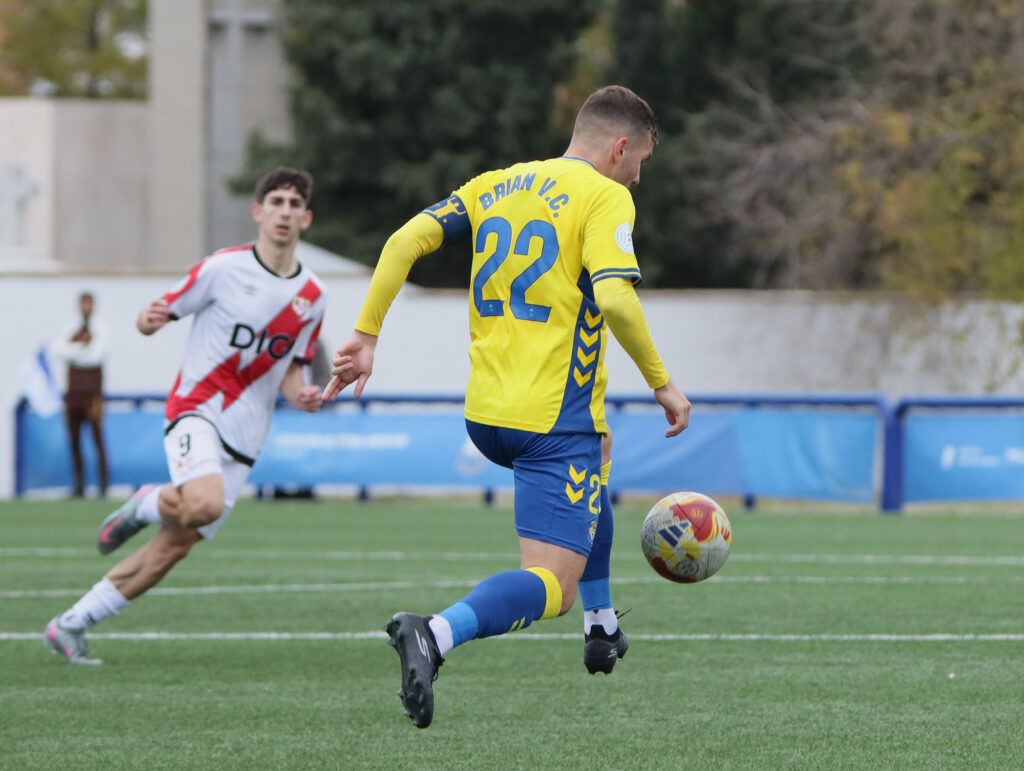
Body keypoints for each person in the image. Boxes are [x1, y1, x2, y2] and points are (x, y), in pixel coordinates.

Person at [323, 85, 691, 727]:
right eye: (641, 161)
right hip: (550, 421)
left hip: (487, 414)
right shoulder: (607, 195)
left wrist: (367, 333)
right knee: (550, 586)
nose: (638, 176)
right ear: (620, 147)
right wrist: (662, 383)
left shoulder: (494, 184)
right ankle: (435, 633)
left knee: (599, 450)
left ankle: (601, 623)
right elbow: (615, 298)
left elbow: (403, 241)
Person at [44, 167, 327, 665]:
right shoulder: (223, 268)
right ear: (258, 212)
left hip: (247, 434)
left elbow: (291, 367)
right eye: (276, 202)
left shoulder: (313, 296)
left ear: (306, 218)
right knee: (203, 503)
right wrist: (146, 321)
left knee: (173, 549)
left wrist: (301, 394)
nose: (285, 212)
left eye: (294, 204)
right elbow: (154, 314)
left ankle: (71, 623)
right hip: (198, 407)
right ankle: (148, 502)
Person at [51, 291, 110, 497]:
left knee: (97, 439)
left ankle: (103, 486)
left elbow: (96, 356)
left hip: (93, 396)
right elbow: (58, 350)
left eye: (89, 304)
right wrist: (80, 348)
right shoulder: (70, 328)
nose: (86, 308)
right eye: (83, 304)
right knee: (74, 441)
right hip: (73, 395)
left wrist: (74, 351)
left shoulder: (102, 328)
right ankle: (79, 486)